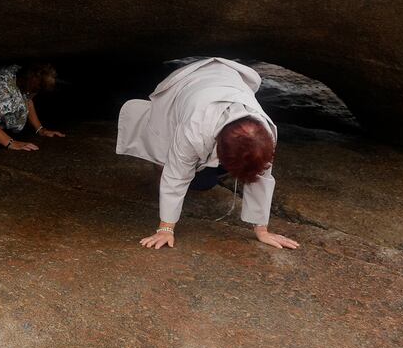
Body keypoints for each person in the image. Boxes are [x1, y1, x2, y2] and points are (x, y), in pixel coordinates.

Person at [116, 57, 299, 251]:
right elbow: (176, 175)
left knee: (205, 182)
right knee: (179, 166)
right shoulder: (194, 128)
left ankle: (205, 171)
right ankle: (159, 164)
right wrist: (166, 228)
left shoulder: (266, 133)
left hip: (227, 77)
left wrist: (262, 230)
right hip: (185, 84)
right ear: (219, 150)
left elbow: (262, 177)